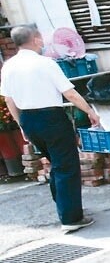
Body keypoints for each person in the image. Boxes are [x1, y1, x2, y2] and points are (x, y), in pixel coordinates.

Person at [0, 24, 102, 230]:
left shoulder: (9, 66)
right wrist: (90, 111)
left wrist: (21, 124)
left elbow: (9, 100)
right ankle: (71, 218)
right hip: (51, 117)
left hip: (28, 119)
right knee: (66, 165)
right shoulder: (45, 63)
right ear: (36, 39)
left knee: (56, 163)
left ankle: (65, 207)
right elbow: (70, 93)